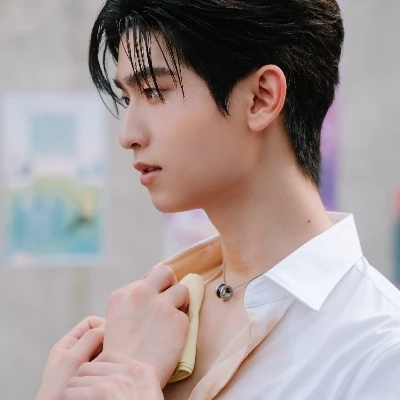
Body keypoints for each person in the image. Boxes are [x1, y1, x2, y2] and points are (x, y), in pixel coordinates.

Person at [38, 0, 400, 399]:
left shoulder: (379, 350)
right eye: (128, 98)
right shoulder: (149, 313)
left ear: (261, 98)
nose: (128, 135)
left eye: (154, 91)